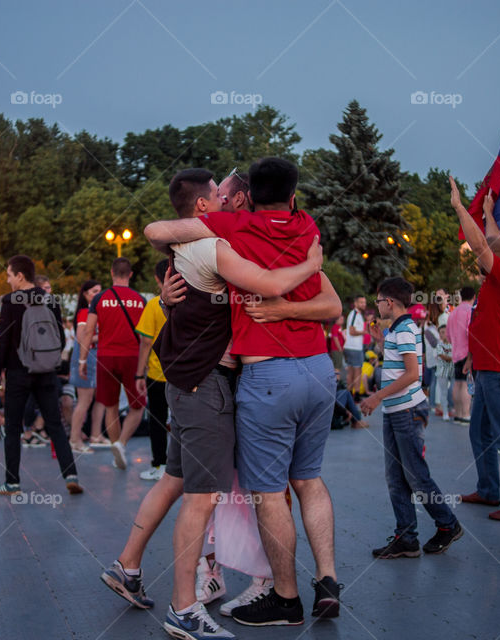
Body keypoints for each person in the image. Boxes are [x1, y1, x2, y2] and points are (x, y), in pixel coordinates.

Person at [144, 159, 343, 629]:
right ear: (293, 198)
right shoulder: (307, 228)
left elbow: (156, 231)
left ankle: (285, 597)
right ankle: (328, 578)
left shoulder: (231, 227)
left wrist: (273, 311)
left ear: (245, 200)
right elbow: (333, 306)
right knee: (309, 481)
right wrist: (302, 285)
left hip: (268, 376)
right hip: (318, 370)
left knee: (269, 494)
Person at [449, 176, 500, 521]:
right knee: (480, 429)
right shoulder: (494, 283)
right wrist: (486, 211)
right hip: (486, 367)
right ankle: (488, 490)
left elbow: (485, 245)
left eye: (481, 255)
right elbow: (493, 242)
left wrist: (458, 207)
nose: (476, 259)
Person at [362, 277, 462, 559]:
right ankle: (406, 536)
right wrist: (381, 343)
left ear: (389, 302)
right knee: (396, 477)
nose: (377, 305)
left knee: (416, 476)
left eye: (378, 301)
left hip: (406, 411)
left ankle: (447, 524)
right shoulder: (395, 330)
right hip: (395, 411)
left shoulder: (405, 329)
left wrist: (377, 396)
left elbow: (411, 374)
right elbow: (397, 365)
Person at [0, 255, 80, 496]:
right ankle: (70, 474)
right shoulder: (50, 299)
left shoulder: (10, 301)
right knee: (55, 424)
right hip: (46, 372)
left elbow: (3, 340)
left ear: (20, 276)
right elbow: (60, 338)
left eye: (9, 275)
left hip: (18, 372)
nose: (8, 280)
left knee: (13, 426)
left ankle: (12, 482)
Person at [76, 258, 146, 471]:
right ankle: (121, 444)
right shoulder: (140, 299)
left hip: (105, 357)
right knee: (138, 406)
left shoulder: (99, 298)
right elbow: (146, 336)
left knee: (110, 406)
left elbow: (88, 331)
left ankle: (116, 449)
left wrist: (81, 359)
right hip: (132, 357)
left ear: (111, 272)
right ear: (131, 274)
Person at [134, 259, 171, 481]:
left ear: (158, 279)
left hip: (157, 374)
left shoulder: (154, 305)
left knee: (157, 421)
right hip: (186, 375)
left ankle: (160, 464)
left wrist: (139, 373)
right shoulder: (189, 301)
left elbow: (145, 343)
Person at [68, 279, 107, 452]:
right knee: (84, 400)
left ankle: (96, 435)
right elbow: (81, 336)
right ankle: (74, 439)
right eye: (93, 291)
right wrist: (106, 336)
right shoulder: (85, 312)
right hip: (86, 359)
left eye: (99, 290)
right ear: (85, 294)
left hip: (97, 359)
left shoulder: (99, 312)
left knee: (101, 398)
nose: (98, 294)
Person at [448, 285, 475, 423]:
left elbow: (447, 335)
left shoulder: (453, 312)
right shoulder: (470, 311)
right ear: (473, 297)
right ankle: (465, 414)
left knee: (457, 383)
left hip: (455, 352)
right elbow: (471, 332)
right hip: (466, 353)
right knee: (465, 384)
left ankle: (458, 414)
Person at [344, 295, 367, 397]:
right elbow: (352, 331)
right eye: (361, 302)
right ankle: (356, 395)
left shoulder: (357, 314)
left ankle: (349, 395)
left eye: (364, 302)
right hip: (354, 347)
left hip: (352, 346)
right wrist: (364, 332)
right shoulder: (354, 314)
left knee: (351, 371)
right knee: (357, 371)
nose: (364, 304)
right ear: (356, 303)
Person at [434, 320, 454, 421]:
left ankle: (453, 408)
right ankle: (445, 412)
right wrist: (454, 357)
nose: (443, 334)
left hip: (452, 370)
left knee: (453, 390)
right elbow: (444, 357)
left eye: (445, 331)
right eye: (441, 332)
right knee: (444, 392)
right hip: (442, 371)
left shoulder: (453, 344)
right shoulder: (439, 345)